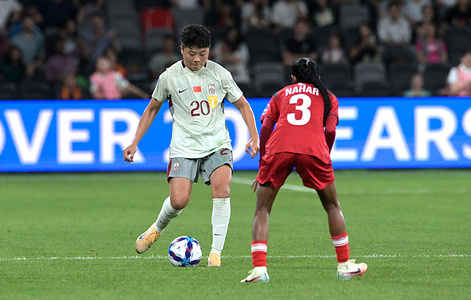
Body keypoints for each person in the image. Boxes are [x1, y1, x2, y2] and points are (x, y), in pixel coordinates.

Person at [122, 24, 260, 267]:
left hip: (217, 143)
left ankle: (215, 253)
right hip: (184, 146)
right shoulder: (169, 77)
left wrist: (254, 136)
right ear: (182, 49)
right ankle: (157, 228)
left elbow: (244, 105)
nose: (197, 59)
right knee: (179, 201)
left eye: (203, 54)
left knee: (223, 190)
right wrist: (134, 142)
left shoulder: (220, 74)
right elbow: (152, 108)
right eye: (192, 53)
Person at [240, 57, 367, 283]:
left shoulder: (281, 94)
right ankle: (344, 265)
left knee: (263, 209)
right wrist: (323, 154)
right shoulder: (329, 97)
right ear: (318, 77)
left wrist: (263, 165)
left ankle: (259, 270)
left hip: (280, 148)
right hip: (313, 149)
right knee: (332, 205)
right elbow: (329, 130)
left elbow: (267, 127)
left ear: (293, 78)